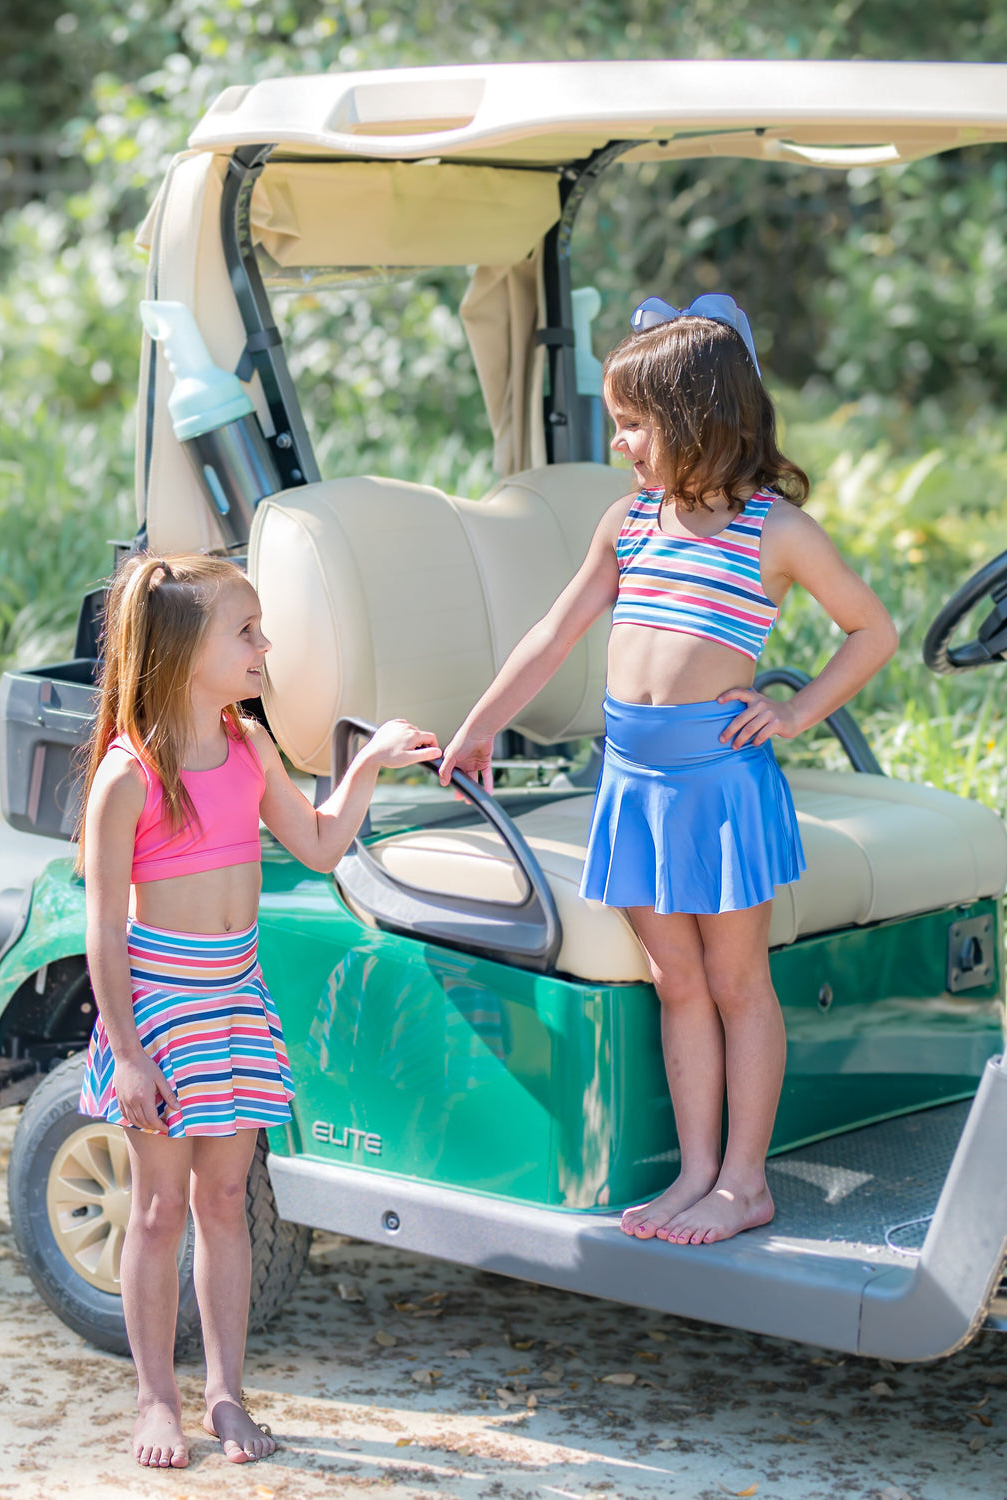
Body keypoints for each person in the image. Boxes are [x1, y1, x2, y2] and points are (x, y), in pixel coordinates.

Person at [439, 294, 897, 1247]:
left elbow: (873, 630)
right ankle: (696, 1171)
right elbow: (553, 634)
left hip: (719, 786)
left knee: (736, 984)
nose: (623, 446)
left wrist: (795, 710)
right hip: (634, 789)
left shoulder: (777, 532)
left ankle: (744, 1181)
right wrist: (479, 726)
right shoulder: (630, 522)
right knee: (674, 982)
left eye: (635, 426)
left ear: (696, 422)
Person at [76, 553, 439, 1468]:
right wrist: (127, 1052)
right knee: (159, 1210)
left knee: (228, 1198)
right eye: (246, 631)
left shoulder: (248, 746)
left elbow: (318, 845)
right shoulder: (130, 775)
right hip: (161, 1011)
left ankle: (226, 1395)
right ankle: (156, 1399)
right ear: (182, 649)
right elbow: (105, 932)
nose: (264, 646)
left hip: (235, 998)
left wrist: (367, 768)